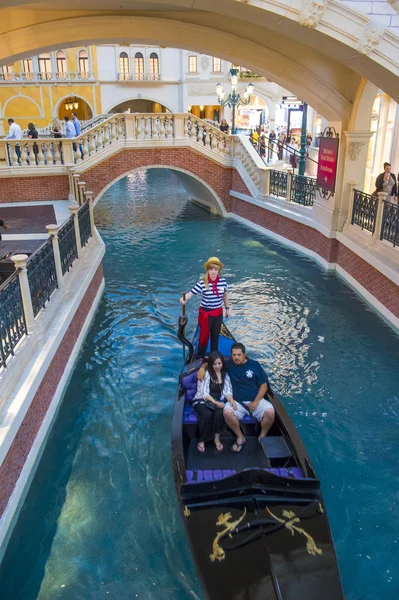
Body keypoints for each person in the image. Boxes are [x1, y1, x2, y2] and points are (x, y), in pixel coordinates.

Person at [198, 343, 275, 452]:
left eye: (239, 355)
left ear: (244, 355)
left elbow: (264, 386)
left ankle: (262, 436)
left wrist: (256, 402)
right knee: (226, 412)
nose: (236, 358)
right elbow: (213, 362)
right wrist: (202, 368)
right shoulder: (229, 364)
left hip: (255, 400)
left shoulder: (255, 365)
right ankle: (240, 437)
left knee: (271, 413)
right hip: (237, 402)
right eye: (234, 355)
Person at [180, 256, 230, 358]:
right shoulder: (202, 283)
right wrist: (183, 299)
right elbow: (190, 294)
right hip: (206, 315)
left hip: (218, 314)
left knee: (215, 336)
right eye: (211, 269)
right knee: (204, 337)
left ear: (218, 271)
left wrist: (227, 309)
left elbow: (225, 295)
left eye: (215, 269)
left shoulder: (223, 282)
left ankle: (213, 357)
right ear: (208, 270)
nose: (213, 272)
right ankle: (200, 357)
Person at [192, 351, 233, 453]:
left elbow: (228, 391)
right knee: (207, 414)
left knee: (219, 413)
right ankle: (202, 440)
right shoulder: (206, 374)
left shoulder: (225, 375)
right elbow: (204, 393)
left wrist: (231, 401)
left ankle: (216, 438)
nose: (217, 366)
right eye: (214, 364)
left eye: (219, 363)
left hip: (218, 400)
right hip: (202, 399)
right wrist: (215, 403)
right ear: (210, 364)